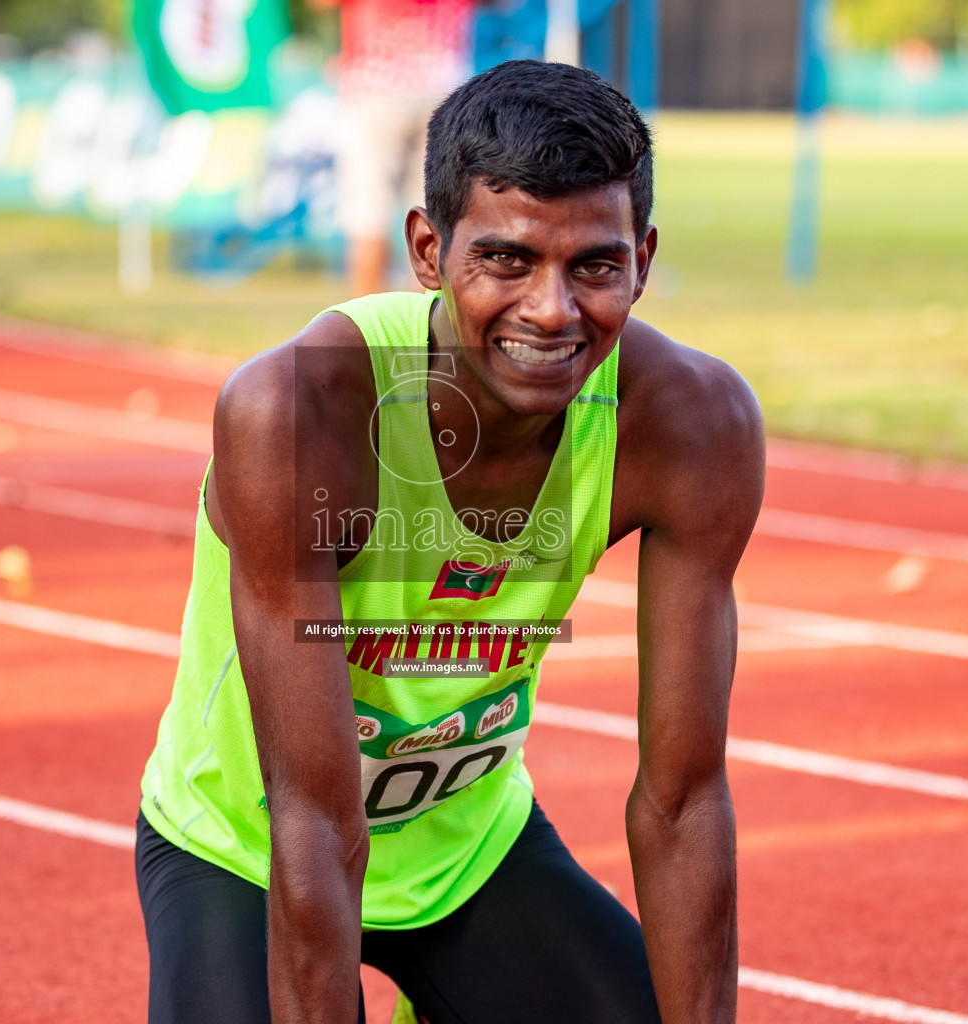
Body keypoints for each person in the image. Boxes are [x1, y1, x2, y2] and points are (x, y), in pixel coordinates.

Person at [137, 60, 764, 1024]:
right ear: (429, 250)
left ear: (641, 258)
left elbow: (682, 803)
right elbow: (313, 819)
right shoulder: (300, 414)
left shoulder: (690, 424)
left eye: (594, 264)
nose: (553, 311)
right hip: (249, 845)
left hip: (468, 847)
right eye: (507, 260)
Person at [317, 0, 474, 296]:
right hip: (443, 87)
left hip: (376, 86)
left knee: (368, 213)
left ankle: (365, 331)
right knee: (433, 218)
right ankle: (421, 330)